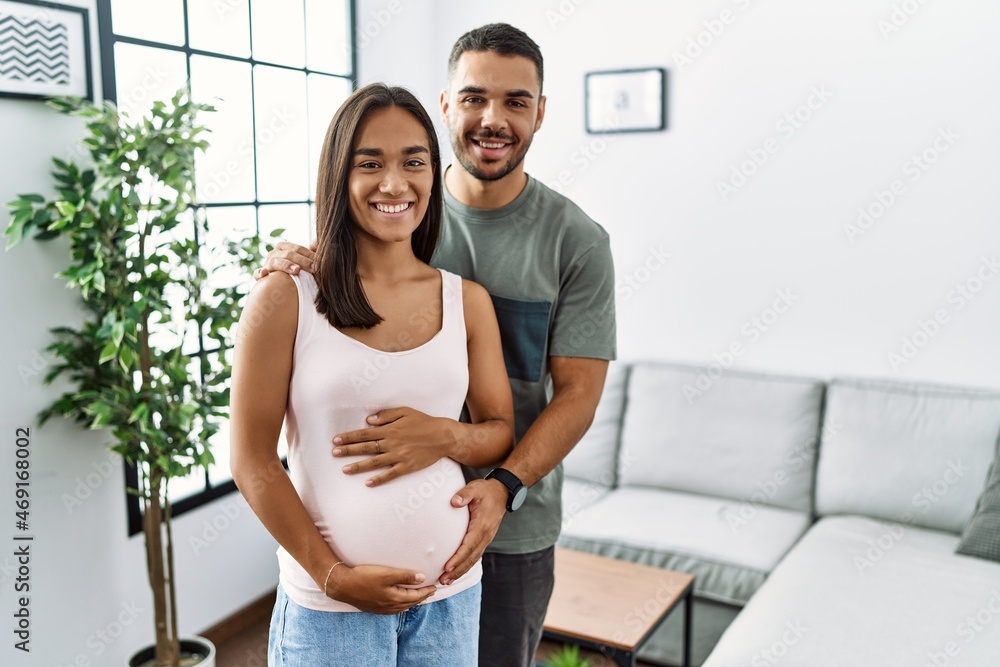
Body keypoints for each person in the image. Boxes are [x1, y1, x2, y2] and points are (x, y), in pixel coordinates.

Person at [256, 24, 616, 667]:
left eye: (516, 101)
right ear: (446, 105)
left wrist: (501, 481)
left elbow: (580, 395)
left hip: (514, 520)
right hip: (345, 576)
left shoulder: (576, 242)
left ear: (540, 111)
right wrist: (304, 261)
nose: (493, 118)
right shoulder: (402, 209)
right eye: (475, 97)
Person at [230, 82, 515, 666]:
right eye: (370, 163)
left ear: (434, 175)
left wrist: (443, 436)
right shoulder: (286, 296)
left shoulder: (468, 301)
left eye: (414, 161)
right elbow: (251, 459)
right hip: (331, 615)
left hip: (449, 599)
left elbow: (498, 430)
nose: (394, 183)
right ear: (339, 175)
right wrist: (332, 575)